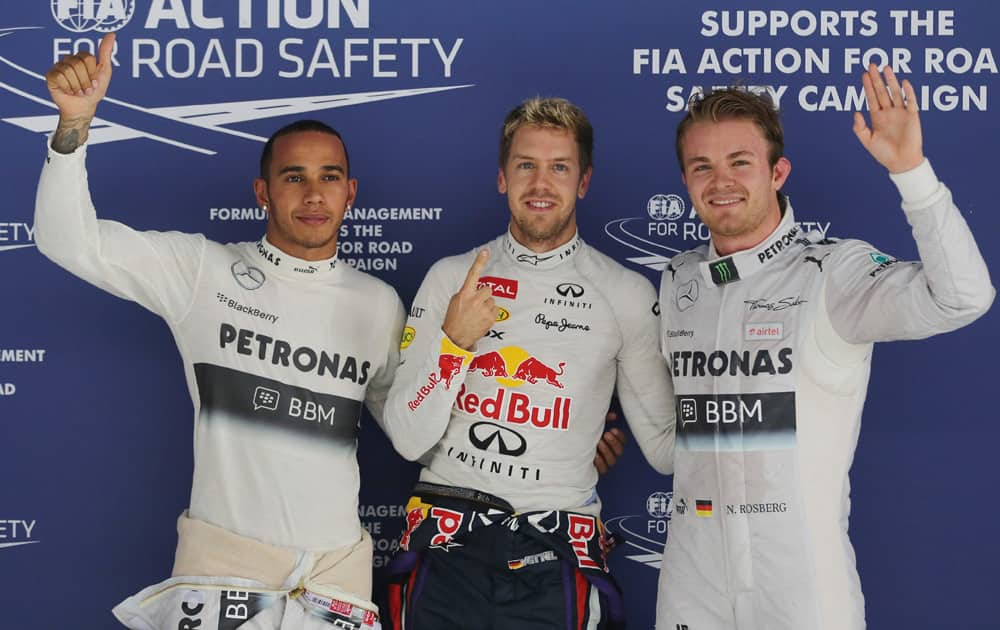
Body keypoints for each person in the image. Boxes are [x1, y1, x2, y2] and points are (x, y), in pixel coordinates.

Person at [36, 33, 405, 630]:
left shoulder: (379, 303)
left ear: (350, 191)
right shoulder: (202, 271)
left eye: (330, 177)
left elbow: (415, 428)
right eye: (294, 177)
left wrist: (558, 449)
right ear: (263, 191)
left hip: (337, 583)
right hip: (227, 578)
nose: (314, 194)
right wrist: (73, 127)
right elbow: (67, 241)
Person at [655, 67, 994, 630]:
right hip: (694, 579)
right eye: (702, 167)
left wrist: (912, 173)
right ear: (686, 181)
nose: (722, 182)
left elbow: (963, 298)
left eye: (740, 161)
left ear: (777, 171)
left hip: (801, 581)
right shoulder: (677, 279)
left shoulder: (833, 270)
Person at [379, 97, 677, 629]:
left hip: (555, 552)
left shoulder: (626, 293)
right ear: (502, 178)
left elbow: (666, 448)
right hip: (447, 546)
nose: (541, 184)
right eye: (526, 166)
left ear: (583, 181)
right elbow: (407, 438)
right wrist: (454, 342)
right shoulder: (452, 277)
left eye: (559, 167)